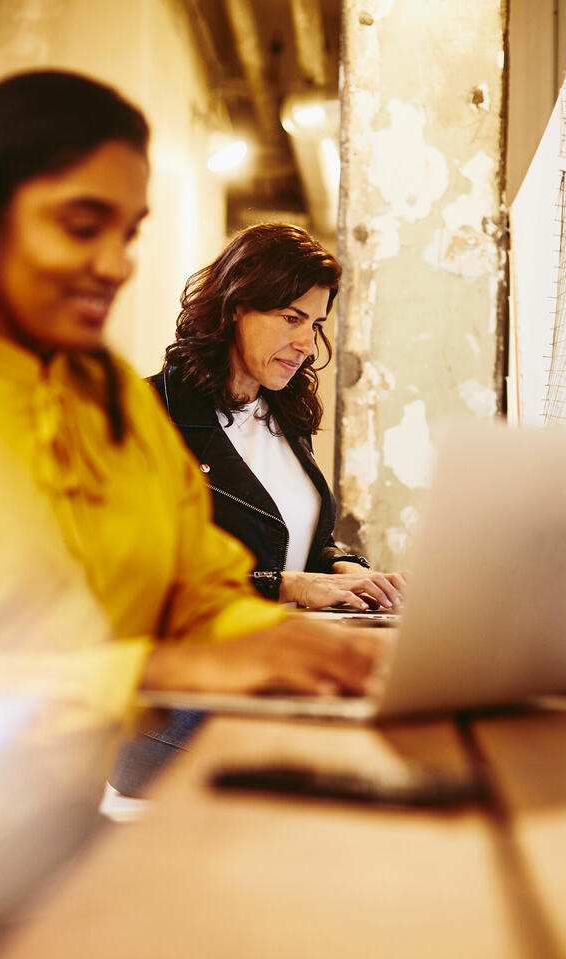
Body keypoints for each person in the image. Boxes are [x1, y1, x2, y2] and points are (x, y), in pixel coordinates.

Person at [0, 72, 383, 781]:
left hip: (66, 813)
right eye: (80, 227)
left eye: (128, 234)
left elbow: (199, 591)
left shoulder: (111, 403)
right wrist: (168, 670)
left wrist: (310, 650)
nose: (116, 264)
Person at [109, 224, 404, 797]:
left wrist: (342, 568)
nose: (306, 343)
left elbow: (300, 536)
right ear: (235, 308)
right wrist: (286, 587)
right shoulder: (146, 415)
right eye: (291, 318)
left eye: (316, 324)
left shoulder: (280, 416)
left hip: (271, 673)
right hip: (175, 704)